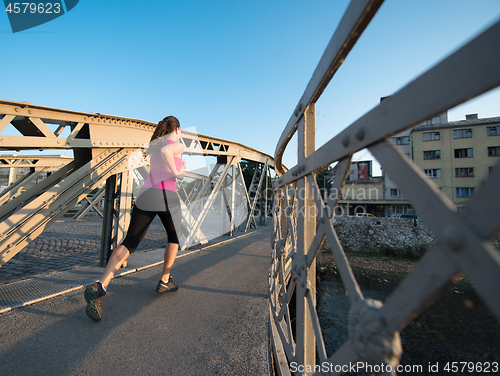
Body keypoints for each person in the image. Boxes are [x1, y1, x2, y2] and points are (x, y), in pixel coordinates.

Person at [84, 116, 186, 322]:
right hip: (166, 196)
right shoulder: (175, 144)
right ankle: (165, 280)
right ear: (177, 129)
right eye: (179, 131)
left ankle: (101, 285)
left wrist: (177, 170)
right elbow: (171, 159)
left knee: (130, 241)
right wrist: (178, 171)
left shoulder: (153, 147)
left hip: (146, 194)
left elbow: (159, 165)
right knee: (175, 238)